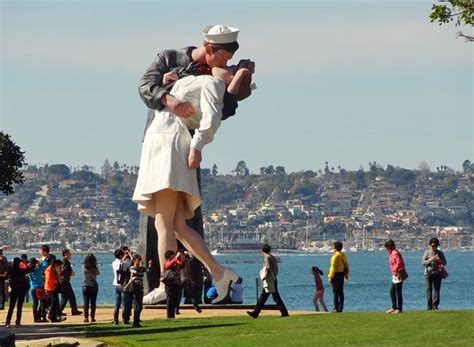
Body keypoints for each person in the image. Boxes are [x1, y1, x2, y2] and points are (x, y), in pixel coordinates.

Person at [138, 24, 255, 304]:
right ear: (210, 50)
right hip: (166, 141)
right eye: (224, 61)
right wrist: (168, 92)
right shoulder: (174, 63)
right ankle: (219, 272)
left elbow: (217, 114)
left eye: (230, 68)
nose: (225, 68)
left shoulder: (213, 84)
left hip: (170, 144)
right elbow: (146, 87)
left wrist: (197, 145)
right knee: (177, 224)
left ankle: (167, 284)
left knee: (163, 222)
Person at [247, 244, 289, 318]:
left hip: (270, 280)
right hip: (273, 279)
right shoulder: (272, 257)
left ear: (262, 250)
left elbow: (268, 268)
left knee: (267, 297)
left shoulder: (267, 257)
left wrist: (263, 273)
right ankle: (256, 312)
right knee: (270, 297)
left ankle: (256, 313)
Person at [4, 257, 31, 327]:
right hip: (21, 290)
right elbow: (29, 269)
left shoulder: (11, 270)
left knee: (11, 307)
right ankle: (18, 322)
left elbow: (6, 266)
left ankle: (8, 322)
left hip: (13, 290)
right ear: (19, 263)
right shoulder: (21, 271)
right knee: (19, 307)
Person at [422, 237, 447, 311]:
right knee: (428, 290)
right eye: (432, 246)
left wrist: (439, 260)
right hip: (428, 273)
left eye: (435, 246)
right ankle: (429, 306)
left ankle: (435, 306)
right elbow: (423, 263)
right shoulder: (427, 253)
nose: (434, 247)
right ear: (430, 245)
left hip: (437, 273)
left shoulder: (440, 253)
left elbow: (445, 263)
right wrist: (429, 260)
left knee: (436, 290)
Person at [384, 239, 407, 314]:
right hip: (394, 275)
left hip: (398, 274)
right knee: (392, 291)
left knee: (398, 291)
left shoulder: (395, 253)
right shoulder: (391, 253)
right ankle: (394, 307)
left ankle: (399, 309)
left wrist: (396, 270)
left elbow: (399, 262)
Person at [128, 254, 150, 327]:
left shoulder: (141, 268)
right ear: (134, 260)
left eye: (140, 259)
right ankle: (135, 321)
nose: (139, 261)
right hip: (135, 287)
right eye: (138, 259)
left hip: (140, 287)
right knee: (137, 304)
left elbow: (148, 270)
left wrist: (149, 265)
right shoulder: (132, 268)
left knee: (140, 305)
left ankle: (137, 319)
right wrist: (140, 266)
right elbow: (135, 271)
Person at [328, 241, 349, 313]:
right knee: (341, 292)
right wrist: (346, 275)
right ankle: (341, 307)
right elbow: (346, 265)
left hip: (336, 275)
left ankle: (335, 307)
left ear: (335, 248)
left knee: (335, 292)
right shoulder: (343, 255)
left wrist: (330, 276)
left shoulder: (335, 256)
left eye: (333, 247)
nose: (332, 248)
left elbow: (332, 267)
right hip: (341, 274)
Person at [59, 249, 82, 316]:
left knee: (65, 297)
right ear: (66, 254)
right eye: (69, 253)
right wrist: (70, 273)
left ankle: (59, 310)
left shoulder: (63, 261)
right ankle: (74, 310)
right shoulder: (65, 261)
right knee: (71, 296)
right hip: (65, 281)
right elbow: (63, 271)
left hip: (63, 281)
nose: (70, 254)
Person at [163, 250, 184, 319]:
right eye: (172, 255)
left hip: (176, 283)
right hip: (169, 284)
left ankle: (173, 315)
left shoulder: (175, 262)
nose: (174, 256)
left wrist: (181, 258)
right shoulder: (166, 262)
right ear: (169, 256)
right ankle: (169, 316)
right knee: (170, 299)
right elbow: (168, 265)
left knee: (175, 299)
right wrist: (175, 258)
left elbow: (182, 265)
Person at [28, 257, 48, 322]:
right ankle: (44, 317)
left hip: (32, 288)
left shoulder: (29, 271)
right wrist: (43, 260)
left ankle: (35, 318)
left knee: (35, 303)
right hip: (39, 288)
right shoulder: (38, 270)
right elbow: (44, 265)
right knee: (42, 303)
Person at [44, 258, 65, 322]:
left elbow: (57, 277)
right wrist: (56, 281)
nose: (59, 267)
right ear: (55, 265)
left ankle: (54, 317)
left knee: (56, 302)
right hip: (49, 288)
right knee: (54, 301)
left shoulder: (54, 270)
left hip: (54, 287)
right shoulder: (49, 270)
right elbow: (49, 279)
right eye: (58, 266)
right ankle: (50, 315)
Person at [82, 254, 100, 323]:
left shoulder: (84, 266)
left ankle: (86, 318)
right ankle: (92, 317)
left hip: (85, 285)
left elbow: (83, 272)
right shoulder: (94, 267)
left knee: (86, 303)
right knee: (93, 303)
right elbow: (98, 273)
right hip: (93, 285)